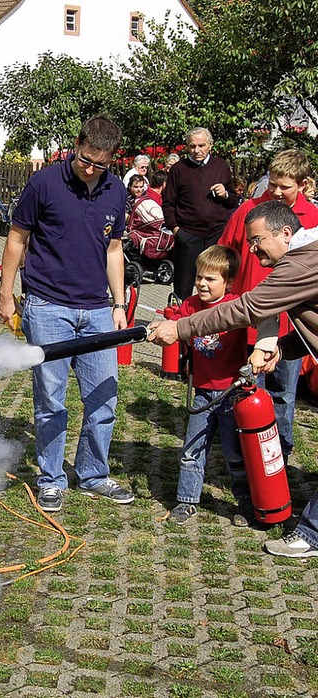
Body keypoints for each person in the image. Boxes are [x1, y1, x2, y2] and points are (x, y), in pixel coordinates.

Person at [147, 200, 318, 558]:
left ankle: (311, 534)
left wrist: (180, 327)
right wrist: (284, 349)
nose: (252, 249)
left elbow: (249, 309)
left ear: (286, 233)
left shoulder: (301, 262)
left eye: (257, 240)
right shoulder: (304, 258)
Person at [0, 114, 134, 513]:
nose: (90, 168)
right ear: (77, 144)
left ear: (112, 160)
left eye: (100, 164)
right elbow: (16, 238)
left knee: (103, 398)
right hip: (47, 306)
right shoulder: (44, 183)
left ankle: (93, 474)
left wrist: (119, 304)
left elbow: (113, 250)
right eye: (85, 158)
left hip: (96, 311)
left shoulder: (114, 192)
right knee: (52, 399)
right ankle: (52, 479)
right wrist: (7, 295)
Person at [219, 149, 318, 462]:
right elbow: (225, 253)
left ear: (302, 185)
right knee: (247, 393)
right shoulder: (250, 212)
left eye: (284, 187)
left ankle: (280, 459)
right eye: (272, 183)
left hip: (292, 331)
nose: (275, 191)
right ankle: (247, 459)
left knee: (283, 397)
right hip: (249, 321)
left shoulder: (312, 219)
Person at [167, 245, 255, 527]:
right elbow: (173, 325)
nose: (202, 284)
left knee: (235, 454)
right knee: (192, 449)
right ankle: (187, 500)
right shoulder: (190, 306)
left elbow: (262, 329)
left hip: (232, 393)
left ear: (228, 282)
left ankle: (246, 502)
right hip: (203, 391)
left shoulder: (238, 306)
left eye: (210, 279)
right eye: (199, 277)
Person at [162, 127, 238, 300]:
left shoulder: (220, 166)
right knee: (183, 286)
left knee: (216, 284)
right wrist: (176, 230)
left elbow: (233, 200)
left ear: (210, 145)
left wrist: (225, 194)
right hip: (188, 236)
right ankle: (180, 321)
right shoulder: (178, 169)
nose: (197, 151)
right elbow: (168, 203)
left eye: (201, 146)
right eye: (192, 146)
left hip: (215, 236)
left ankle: (213, 323)